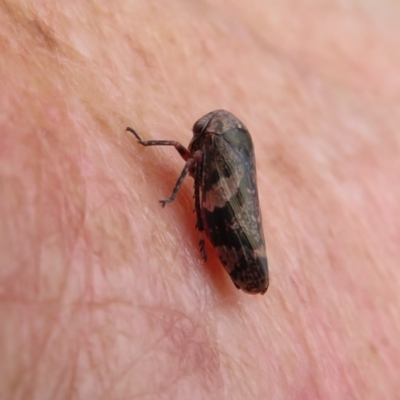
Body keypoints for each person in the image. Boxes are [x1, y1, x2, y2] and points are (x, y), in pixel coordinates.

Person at [1, 1, 399, 398]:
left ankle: (246, 269)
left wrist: (173, 193)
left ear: (206, 132)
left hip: (237, 248)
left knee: (196, 172)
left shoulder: (207, 146)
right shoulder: (228, 140)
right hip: (237, 231)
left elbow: (191, 170)